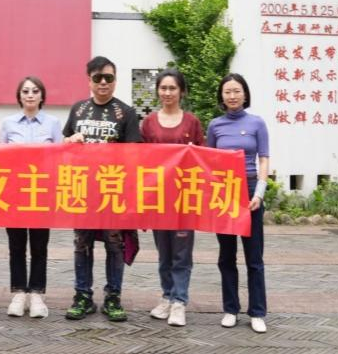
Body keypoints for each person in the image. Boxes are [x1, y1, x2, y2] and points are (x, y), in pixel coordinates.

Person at [62, 56, 141, 322]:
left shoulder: (126, 113)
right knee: (81, 244)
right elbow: (65, 145)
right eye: (98, 78)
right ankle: (82, 296)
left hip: (113, 190)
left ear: (115, 80)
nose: (103, 82)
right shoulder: (78, 110)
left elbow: (135, 155)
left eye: (109, 77)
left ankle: (113, 297)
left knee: (114, 244)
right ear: (89, 81)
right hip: (83, 190)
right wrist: (70, 140)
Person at [206, 73, 270, 334]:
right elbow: (208, 161)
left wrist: (260, 193)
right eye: (227, 91)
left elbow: (264, 158)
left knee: (254, 257)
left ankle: (257, 312)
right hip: (224, 193)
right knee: (226, 255)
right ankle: (230, 309)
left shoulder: (257, 123)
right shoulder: (215, 125)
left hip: (251, 190)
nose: (232, 96)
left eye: (236, 91)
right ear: (221, 96)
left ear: (245, 94)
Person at [140, 68, 204, 327]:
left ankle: (179, 301)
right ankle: (166, 296)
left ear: (182, 91)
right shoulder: (148, 123)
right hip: (158, 198)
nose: (167, 93)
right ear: (158, 91)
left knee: (182, 253)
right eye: (163, 88)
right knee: (164, 252)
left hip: (183, 198)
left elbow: (202, 158)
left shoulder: (192, 122)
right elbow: (141, 160)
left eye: (172, 88)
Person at [0, 76, 62, 319]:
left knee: (39, 246)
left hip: (41, 193)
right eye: (25, 91)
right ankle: (18, 293)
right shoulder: (8, 123)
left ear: (42, 95)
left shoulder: (53, 123)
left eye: (35, 91)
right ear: (19, 96)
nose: (30, 95)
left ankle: (36, 293)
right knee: (16, 245)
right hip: (14, 193)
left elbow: (60, 157)